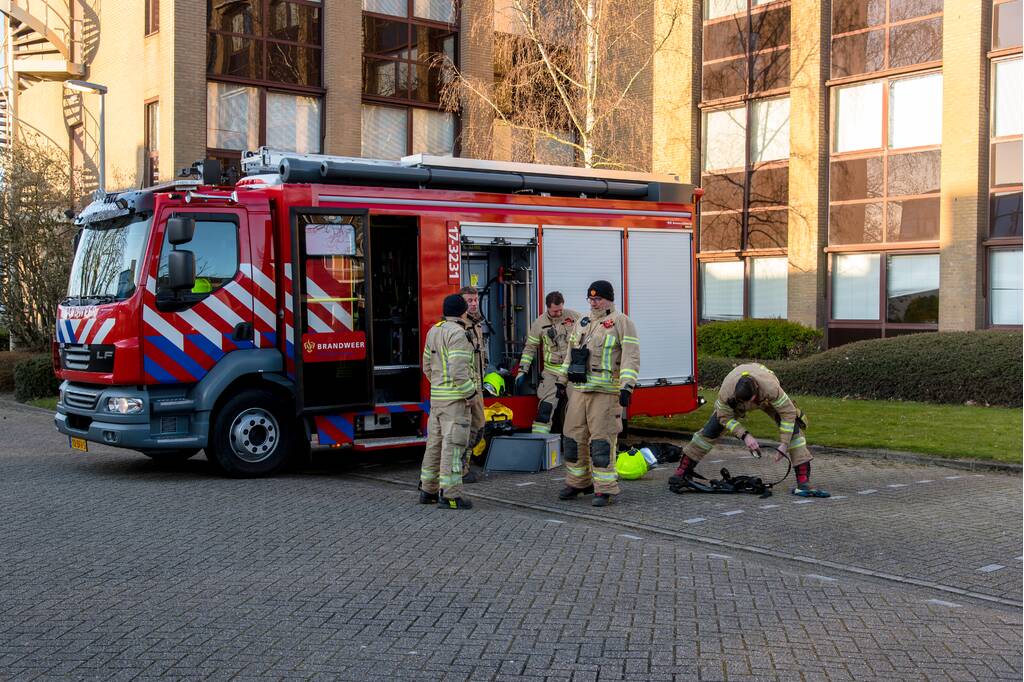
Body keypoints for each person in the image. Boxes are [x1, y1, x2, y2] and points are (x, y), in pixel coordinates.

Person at [669, 363, 829, 497]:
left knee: (794, 431)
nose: (753, 405)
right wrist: (745, 436)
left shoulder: (771, 387)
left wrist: (784, 444)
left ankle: (803, 482)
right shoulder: (726, 393)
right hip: (735, 402)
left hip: (767, 399)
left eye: (753, 400)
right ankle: (682, 471)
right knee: (710, 431)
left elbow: (788, 413)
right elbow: (724, 418)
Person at [554, 280, 640, 507]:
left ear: (609, 299)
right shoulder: (582, 322)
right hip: (579, 390)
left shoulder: (622, 323)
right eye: (591, 299)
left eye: (598, 298)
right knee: (572, 437)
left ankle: (604, 489)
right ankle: (578, 482)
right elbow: (570, 354)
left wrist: (627, 386)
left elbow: (631, 357)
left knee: (601, 442)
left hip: (605, 393)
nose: (594, 303)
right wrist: (562, 380)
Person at [419, 294, 478, 509]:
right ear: (463, 311)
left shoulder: (433, 330)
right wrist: (470, 394)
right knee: (453, 447)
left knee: (434, 445)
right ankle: (451, 495)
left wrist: (438, 384)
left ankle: (428, 490)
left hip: (437, 399)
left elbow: (427, 365)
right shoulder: (459, 333)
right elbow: (458, 370)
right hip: (455, 401)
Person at [516, 291, 580, 434]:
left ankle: (575, 444)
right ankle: (539, 442)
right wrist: (522, 370)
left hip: (572, 372)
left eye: (560, 310)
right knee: (545, 408)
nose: (559, 313)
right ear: (547, 308)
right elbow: (530, 348)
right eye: (555, 311)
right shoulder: (539, 323)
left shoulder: (575, 317)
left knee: (577, 409)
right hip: (552, 373)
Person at [459, 286, 488, 483]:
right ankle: (461, 469)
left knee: (477, 427)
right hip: (467, 388)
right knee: (468, 428)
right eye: (469, 300)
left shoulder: (476, 324)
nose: (474, 303)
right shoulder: (460, 327)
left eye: (475, 299)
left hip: (477, 386)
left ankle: (464, 466)